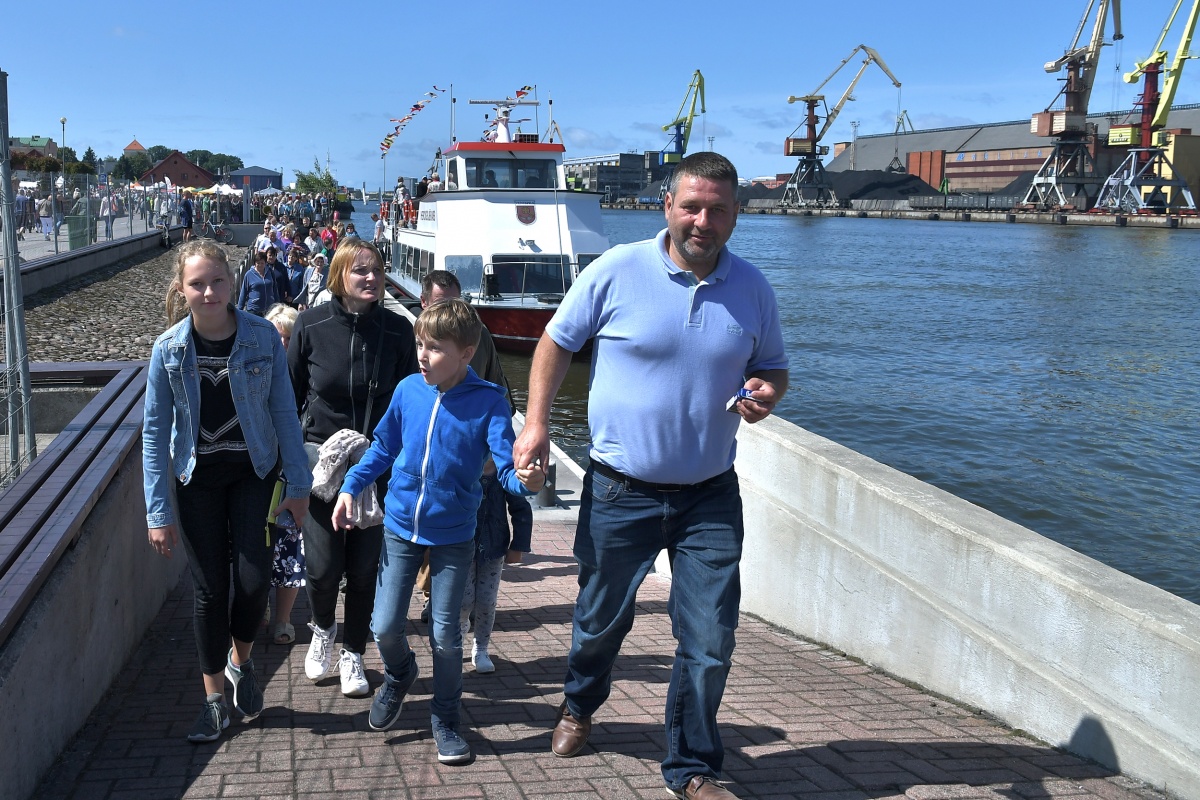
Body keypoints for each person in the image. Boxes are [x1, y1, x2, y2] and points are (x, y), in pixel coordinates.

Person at [512, 152, 788, 800]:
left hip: (709, 495)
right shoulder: (617, 269)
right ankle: (580, 702)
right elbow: (555, 341)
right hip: (619, 490)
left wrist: (766, 393)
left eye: (718, 210)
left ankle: (691, 767)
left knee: (711, 638)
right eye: (691, 206)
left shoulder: (753, 288)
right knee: (600, 622)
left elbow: (773, 368)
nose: (703, 221)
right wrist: (536, 424)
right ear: (667, 206)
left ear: (736, 215)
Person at [332, 298, 544, 764]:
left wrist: (527, 482)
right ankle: (400, 673)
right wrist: (350, 486)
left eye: (434, 348)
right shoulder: (409, 389)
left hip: (454, 534)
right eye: (419, 345)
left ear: (466, 353)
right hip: (399, 526)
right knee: (384, 625)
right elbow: (383, 447)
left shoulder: (489, 401)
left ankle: (446, 717)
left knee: (446, 636)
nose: (422, 356)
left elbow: (506, 471)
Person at [142, 240, 311, 743]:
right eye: (197, 284)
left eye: (217, 281)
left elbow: (284, 412)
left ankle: (242, 661)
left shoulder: (262, 337)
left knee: (254, 582)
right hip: (197, 480)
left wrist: (298, 484)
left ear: (232, 281)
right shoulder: (168, 350)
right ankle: (214, 699)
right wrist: (157, 512)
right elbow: (155, 432)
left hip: (254, 473)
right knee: (210, 590)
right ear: (182, 290)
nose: (209, 292)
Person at [288, 239, 419, 699]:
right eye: (361, 270)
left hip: (377, 464)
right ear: (339, 275)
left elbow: (410, 401)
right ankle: (323, 629)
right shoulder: (310, 324)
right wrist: (289, 467)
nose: (372, 278)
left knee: (364, 570)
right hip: (321, 466)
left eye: (378, 270)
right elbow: (289, 399)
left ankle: (354, 653)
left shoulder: (398, 330)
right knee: (323, 568)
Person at [459, 456, 532, 673]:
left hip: (494, 545)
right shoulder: (461, 464)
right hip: (460, 545)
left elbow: (520, 507)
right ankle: (458, 635)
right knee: (464, 601)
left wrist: (518, 546)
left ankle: (481, 648)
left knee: (486, 601)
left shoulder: (504, 470)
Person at [264, 304, 306, 645]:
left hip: (290, 476)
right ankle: (257, 607)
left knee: (289, 547)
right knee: (253, 546)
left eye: (289, 338)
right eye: (276, 336)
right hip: (257, 475)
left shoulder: (304, 379)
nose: (282, 344)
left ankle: (283, 619)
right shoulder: (252, 375)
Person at [237, 251, 277, 316]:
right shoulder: (249, 274)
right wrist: (239, 310)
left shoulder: (270, 272)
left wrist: (277, 305)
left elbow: (275, 289)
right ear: (254, 263)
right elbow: (243, 292)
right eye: (258, 263)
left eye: (262, 263)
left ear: (265, 263)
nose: (260, 265)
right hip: (254, 309)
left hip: (269, 309)